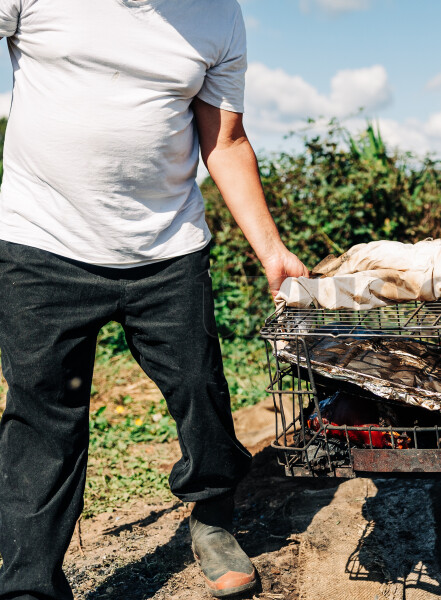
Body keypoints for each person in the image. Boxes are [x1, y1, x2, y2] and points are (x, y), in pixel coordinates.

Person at [0, 1, 309, 598]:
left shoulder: (217, 15)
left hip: (167, 248)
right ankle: (29, 583)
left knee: (201, 389)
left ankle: (214, 520)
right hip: (41, 243)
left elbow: (225, 139)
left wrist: (271, 250)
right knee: (42, 419)